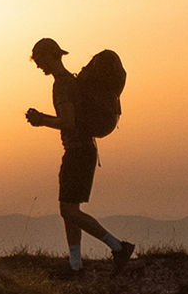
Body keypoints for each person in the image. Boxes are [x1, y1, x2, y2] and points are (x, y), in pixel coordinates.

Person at [25, 37, 135, 276]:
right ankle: (76, 264)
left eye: (40, 59)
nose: (38, 66)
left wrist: (40, 120)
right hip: (81, 150)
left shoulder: (63, 85)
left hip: (78, 151)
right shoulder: (70, 82)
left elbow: (69, 121)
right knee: (69, 206)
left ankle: (118, 247)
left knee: (68, 210)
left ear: (51, 56)